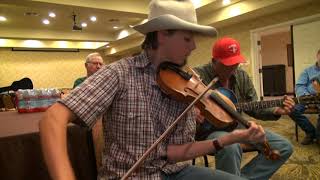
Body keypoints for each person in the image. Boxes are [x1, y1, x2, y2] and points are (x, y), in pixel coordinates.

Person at [39, 1, 267, 179]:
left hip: (179, 172)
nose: (194, 46)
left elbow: (175, 152)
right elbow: (52, 118)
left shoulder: (188, 82)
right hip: (132, 176)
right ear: (162, 34)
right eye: (187, 38)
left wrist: (231, 139)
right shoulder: (120, 73)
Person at [193, 37, 295, 180]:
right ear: (214, 61)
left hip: (237, 124)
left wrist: (277, 110)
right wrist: (192, 110)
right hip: (209, 130)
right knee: (230, 146)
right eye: (226, 65)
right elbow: (176, 99)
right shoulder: (197, 75)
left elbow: (253, 106)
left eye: (235, 64)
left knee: (283, 146)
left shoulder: (241, 75)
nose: (232, 69)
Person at [289, 49, 320, 145]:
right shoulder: (307, 71)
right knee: (291, 109)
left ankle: (318, 136)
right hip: (307, 98)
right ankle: (310, 132)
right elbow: (299, 86)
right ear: (318, 55)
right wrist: (307, 98)